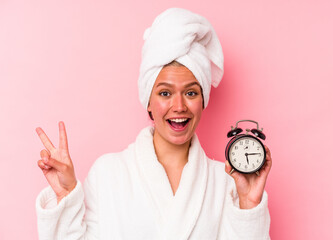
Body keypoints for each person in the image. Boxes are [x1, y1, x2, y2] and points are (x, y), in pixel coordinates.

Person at [35, 8, 272, 239]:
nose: (179, 107)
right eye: (165, 94)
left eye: (190, 93)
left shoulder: (226, 181)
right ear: (148, 101)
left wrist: (248, 205)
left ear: (203, 100)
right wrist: (65, 196)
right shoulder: (108, 174)